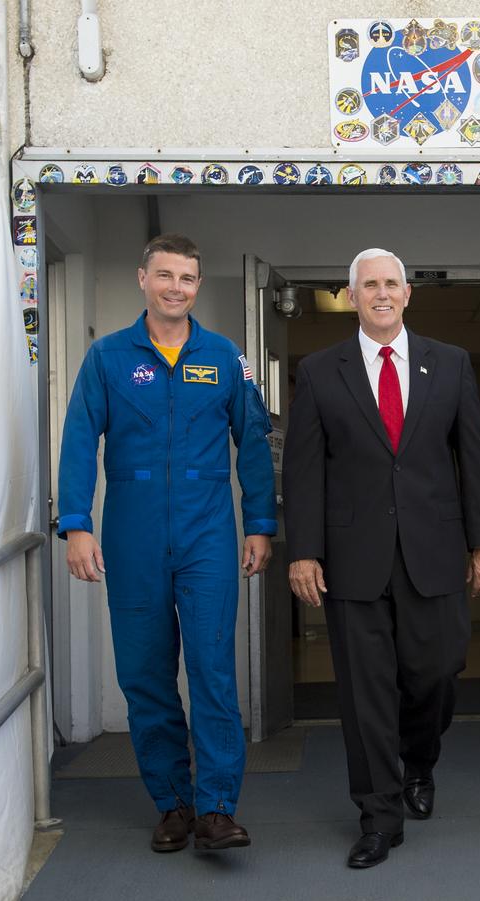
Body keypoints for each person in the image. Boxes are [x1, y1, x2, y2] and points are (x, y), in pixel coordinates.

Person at [57, 233, 276, 854]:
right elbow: (78, 441)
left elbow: (254, 443)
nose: (175, 286)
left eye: (186, 277)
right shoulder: (107, 358)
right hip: (133, 534)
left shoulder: (224, 357)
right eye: (165, 275)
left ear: (197, 287)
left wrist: (259, 523)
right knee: (145, 675)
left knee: (211, 670)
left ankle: (216, 809)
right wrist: (77, 524)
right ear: (142, 279)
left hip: (208, 533)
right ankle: (173, 803)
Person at [283, 248, 480, 869]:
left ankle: (420, 762)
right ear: (351, 296)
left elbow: (472, 460)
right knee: (364, 692)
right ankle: (379, 817)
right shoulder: (322, 371)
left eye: (391, 284)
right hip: (353, 559)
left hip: (434, 553)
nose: (381, 293)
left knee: (435, 672)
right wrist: (304, 552)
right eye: (368, 284)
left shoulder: (450, 364)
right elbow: (303, 472)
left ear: (408, 295)